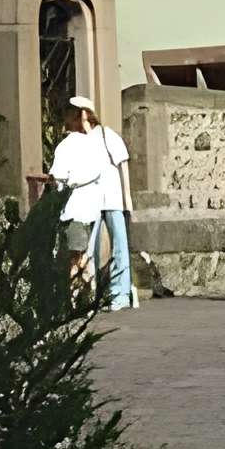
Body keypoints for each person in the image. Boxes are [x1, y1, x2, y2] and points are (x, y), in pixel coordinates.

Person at [46, 96, 117, 304]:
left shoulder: (67, 146)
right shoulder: (95, 144)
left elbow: (57, 176)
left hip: (73, 209)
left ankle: (74, 296)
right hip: (92, 209)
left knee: (74, 256)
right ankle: (86, 292)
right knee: (86, 254)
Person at [93, 105, 138, 310]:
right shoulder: (78, 142)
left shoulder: (106, 135)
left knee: (120, 246)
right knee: (90, 249)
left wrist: (127, 199)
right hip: (90, 201)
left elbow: (123, 166)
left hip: (113, 198)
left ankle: (121, 294)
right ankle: (94, 294)